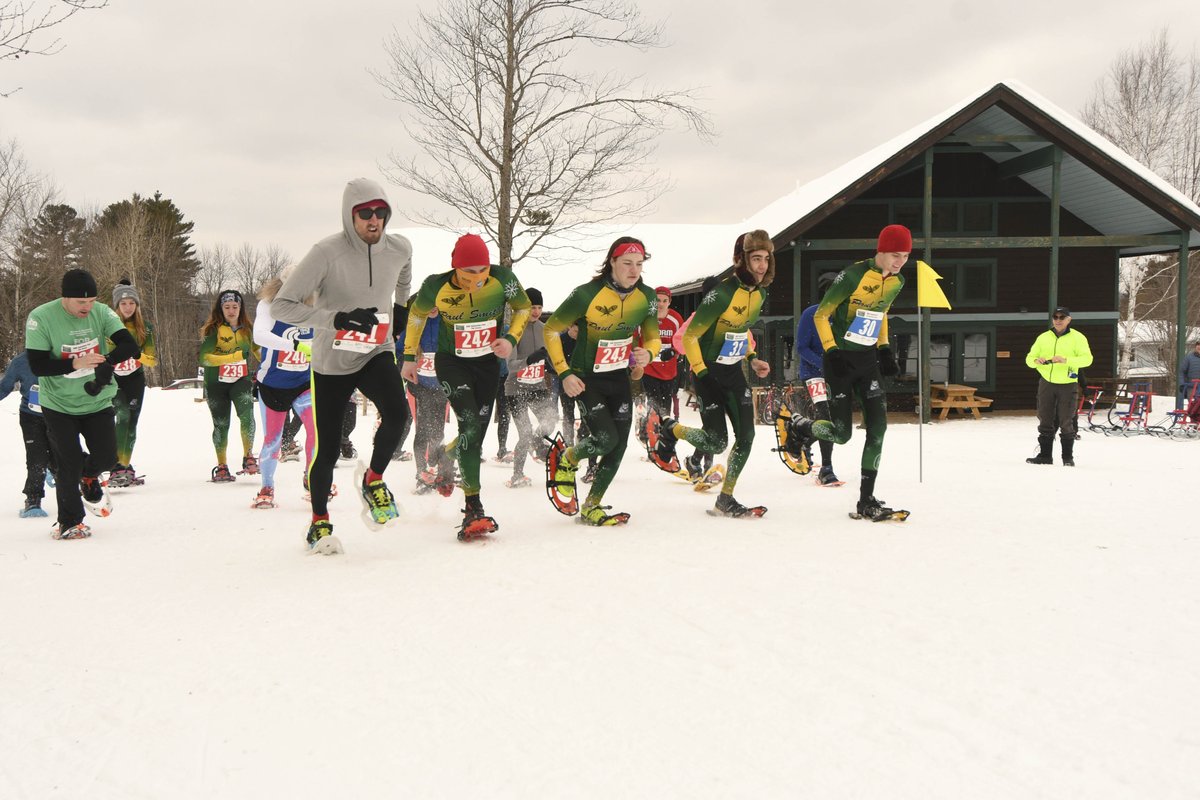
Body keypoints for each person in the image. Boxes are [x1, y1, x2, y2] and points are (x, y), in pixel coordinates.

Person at [273, 178, 412, 555]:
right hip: (332, 360)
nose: (374, 220)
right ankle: (319, 521)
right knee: (329, 447)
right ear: (350, 215)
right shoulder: (325, 253)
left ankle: (373, 479)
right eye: (365, 213)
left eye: (381, 213)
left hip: (375, 351)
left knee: (399, 415)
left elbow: (403, 273)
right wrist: (337, 318)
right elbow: (282, 306)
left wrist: (400, 309)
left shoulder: (399, 247)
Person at [401, 233, 531, 539]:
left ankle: (449, 456)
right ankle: (474, 506)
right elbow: (417, 315)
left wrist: (510, 339)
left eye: (482, 270)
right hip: (452, 363)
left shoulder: (503, 279)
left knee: (474, 437)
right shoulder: (436, 284)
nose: (477, 278)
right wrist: (409, 356)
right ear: (455, 268)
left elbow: (523, 309)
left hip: (487, 365)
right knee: (470, 424)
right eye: (469, 272)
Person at [786, 224, 911, 521]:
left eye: (905, 256)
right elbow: (821, 314)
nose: (900, 262)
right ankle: (802, 428)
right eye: (895, 255)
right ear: (880, 251)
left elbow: (880, 313)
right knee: (841, 434)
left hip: (867, 362)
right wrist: (830, 351)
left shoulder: (897, 281)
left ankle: (866, 499)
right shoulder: (852, 276)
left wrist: (883, 349)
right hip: (839, 362)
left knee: (878, 428)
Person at [649, 230, 773, 518]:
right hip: (708, 374)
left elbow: (740, 329)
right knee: (717, 441)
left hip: (733, 371)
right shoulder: (721, 293)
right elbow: (689, 336)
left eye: (766, 259)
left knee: (747, 436)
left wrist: (752, 358)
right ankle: (671, 429)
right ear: (741, 260)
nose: (762, 265)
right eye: (756, 259)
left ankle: (725, 498)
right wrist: (703, 374)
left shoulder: (760, 294)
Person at [542, 236, 660, 526]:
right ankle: (568, 457)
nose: (634, 271)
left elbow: (653, 337)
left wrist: (649, 353)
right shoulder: (586, 294)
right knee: (606, 439)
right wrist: (565, 372)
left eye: (639, 265)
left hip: (619, 377)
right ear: (612, 263)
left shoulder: (647, 297)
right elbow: (550, 330)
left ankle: (592, 505)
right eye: (627, 264)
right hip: (586, 378)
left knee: (618, 447)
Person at [25, 269, 140, 539]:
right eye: (80, 303)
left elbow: (129, 344)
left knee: (108, 457)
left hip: (96, 400)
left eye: (91, 302)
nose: (87, 308)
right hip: (59, 404)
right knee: (69, 462)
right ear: (65, 298)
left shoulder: (101, 312)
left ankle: (88, 476)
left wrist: (108, 361)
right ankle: (70, 521)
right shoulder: (41, 318)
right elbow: (38, 365)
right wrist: (75, 362)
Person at [251, 269, 317, 509]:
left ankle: (313, 479)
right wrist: (295, 345)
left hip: (304, 382)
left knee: (316, 430)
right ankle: (266, 486)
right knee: (273, 440)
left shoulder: (314, 307)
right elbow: (260, 335)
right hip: (273, 383)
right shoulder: (268, 306)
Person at [199, 289, 258, 482]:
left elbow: (258, 352)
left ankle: (248, 456)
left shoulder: (247, 329)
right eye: (227, 307)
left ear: (241, 308)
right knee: (221, 424)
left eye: (235, 307)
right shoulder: (213, 330)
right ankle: (222, 465)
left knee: (247, 416)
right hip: (216, 383)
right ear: (221, 309)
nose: (231, 311)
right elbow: (205, 358)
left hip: (240, 381)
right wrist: (233, 357)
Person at [1024, 305, 1093, 466]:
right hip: (1046, 382)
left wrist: (1066, 360)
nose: (1058, 320)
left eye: (1062, 317)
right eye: (1055, 317)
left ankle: (1067, 458)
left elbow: (1088, 359)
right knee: (1045, 418)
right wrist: (1036, 361)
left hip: (1068, 384)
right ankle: (1045, 456)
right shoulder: (1043, 337)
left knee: (1066, 420)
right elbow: (1029, 358)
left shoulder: (1078, 338)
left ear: (1069, 320)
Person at [791, 271, 841, 486]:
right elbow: (802, 347)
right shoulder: (810, 314)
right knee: (826, 417)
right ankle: (827, 468)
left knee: (839, 422)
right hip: (814, 375)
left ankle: (801, 432)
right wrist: (825, 365)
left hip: (837, 377)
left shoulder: (843, 318)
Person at [504, 287, 556, 488]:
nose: (535, 311)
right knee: (524, 433)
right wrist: (531, 359)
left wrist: (554, 367)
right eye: (532, 307)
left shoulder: (545, 329)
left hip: (538, 386)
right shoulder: (515, 329)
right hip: (515, 388)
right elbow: (510, 365)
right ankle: (517, 475)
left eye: (539, 307)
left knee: (550, 421)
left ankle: (537, 440)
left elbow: (550, 358)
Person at [107, 279, 156, 488]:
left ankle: (125, 467)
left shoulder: (144, 327)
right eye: (123, 303)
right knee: (123, 416)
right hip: (113, 380)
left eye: (132, 303)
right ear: (117, 306)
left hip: (134, 379)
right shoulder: (108, 325)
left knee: (131, 423)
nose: (128, 307)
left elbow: (152, 360)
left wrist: (137, 356)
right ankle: (116, 466)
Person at [0, 351, 58, 517]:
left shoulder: (61, 357)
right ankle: (33, 499)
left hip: (60, 415)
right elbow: (5, 387)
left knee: (61, 456)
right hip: (30, 416)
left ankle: (70, 490)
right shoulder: (20, 361)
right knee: (36, 458)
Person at [406, 305, 449, 494]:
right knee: (422, 431)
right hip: (419, 388)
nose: (432, 308)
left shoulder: (447, 324)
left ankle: (434, 468)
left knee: (438, 432)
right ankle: (421, 473)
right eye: (428, 303)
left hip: (440, 389)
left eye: (435, 303)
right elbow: (401, 352)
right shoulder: (415, 323)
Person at [640, 285, 684, 436]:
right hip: (649, 370)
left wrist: (674, 351)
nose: (661, 304)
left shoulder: (676, 318)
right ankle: (650, 435)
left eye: (664, 301)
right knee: (655, 405)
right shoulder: (645, 317)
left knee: (666, 407)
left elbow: (682, 339)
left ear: (669, 302)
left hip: (669, 372)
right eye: (657, 300)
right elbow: (636, 339)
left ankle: (661, 436)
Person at [1178, 340, 1200, 409]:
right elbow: (1182, 372)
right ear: (1195, 346)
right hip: (1191, 387)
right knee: (1193, 408)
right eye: (1198, 345)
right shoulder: (1189, 358)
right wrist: (1182, 384)